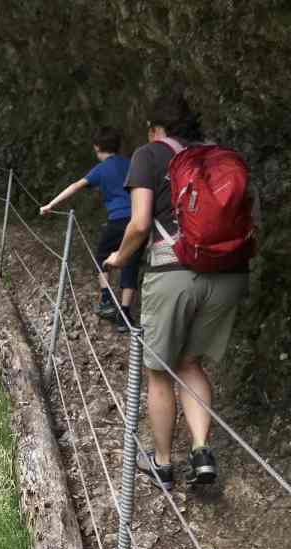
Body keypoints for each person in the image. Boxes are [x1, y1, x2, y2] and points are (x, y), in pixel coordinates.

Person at [103, 93, 251, 490]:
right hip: (228, 270)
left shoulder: (148, 155)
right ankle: (201, 450)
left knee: (159, 372)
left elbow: (138, 224)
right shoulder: (218, 155)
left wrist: (119, 259)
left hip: (174, 269)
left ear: (156, 129)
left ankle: (163, 463)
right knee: (190, 362)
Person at [41, 126, 142, 332]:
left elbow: (75, 186)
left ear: (97, 148)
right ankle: (124, 315)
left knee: (102, 255)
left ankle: (106, 300)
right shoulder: (131, 164)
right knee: (131, 262)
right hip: (137, 219)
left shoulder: (101, 169)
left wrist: (50, 205)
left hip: (116, 220)